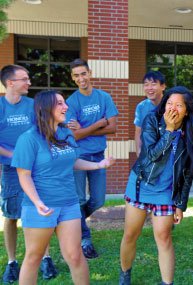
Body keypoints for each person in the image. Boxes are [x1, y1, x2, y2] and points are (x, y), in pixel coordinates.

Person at [11, 90, 115, 284]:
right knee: (34, 257)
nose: (65, 107)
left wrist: (99, 165)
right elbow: (23, 175)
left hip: (69, 203)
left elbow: (73, 161)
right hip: (41, 207)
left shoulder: (66, 132)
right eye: (59, 103)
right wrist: (37, 202)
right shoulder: (29, 138)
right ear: (45, 108)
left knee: (75, 256)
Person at [119, 86, 193, 285]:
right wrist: (169, 130)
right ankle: (125, 273)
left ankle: (167, 283)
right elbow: (151, 155)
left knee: (164, 237)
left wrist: (180, 204)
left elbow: (187, 172)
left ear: (187, 110)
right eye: (169, 103)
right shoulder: (152, 120)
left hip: (166, 192)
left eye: (178, 105)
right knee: (131, 234)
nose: (172, 108)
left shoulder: (191, 132)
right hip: (142, 184)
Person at [0, 65, 58, 282]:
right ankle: (12, 262)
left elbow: (45, 131)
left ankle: (46, 258)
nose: (29, 83)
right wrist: (16, 155)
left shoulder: (32, 106)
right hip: (11, 170)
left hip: (36, 168)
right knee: (11, 216)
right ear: (10, 83)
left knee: (41, 210)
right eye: (24, 79)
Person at [66, 58, 119, 259]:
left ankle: (72, 221)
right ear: (73, 78)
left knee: (98, 200)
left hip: (98, 155)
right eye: (76, 75)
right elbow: (75, 135)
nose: (81, 78)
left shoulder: (104, 97)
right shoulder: (71, 102)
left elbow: (113, 128)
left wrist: (85, 129)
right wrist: (99, 123)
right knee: (79, 199)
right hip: (77, 156)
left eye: (83, 73)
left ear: (90, 73)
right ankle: (84, 238)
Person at [134, 71, 166, 156]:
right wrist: (139, 153)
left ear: (163, 86)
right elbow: (138, 132)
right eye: (146, 84)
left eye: (153, 84)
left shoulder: (171, 105)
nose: (149, 88)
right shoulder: (141, 107)